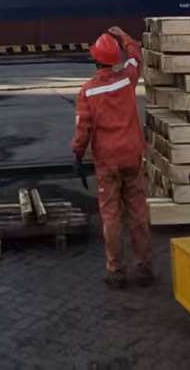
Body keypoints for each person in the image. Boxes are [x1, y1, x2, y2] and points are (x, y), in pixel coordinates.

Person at [71, 23, 152, 288]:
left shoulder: (87, 92)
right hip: (132, 156)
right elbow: (136, 55)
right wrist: (123, 36)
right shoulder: (127, 79)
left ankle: (116, 271)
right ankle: (144, 269)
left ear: (94, 59)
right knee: (138, 212)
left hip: (107, 162)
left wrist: (77, 155)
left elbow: (82, 130)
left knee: (111, 216)